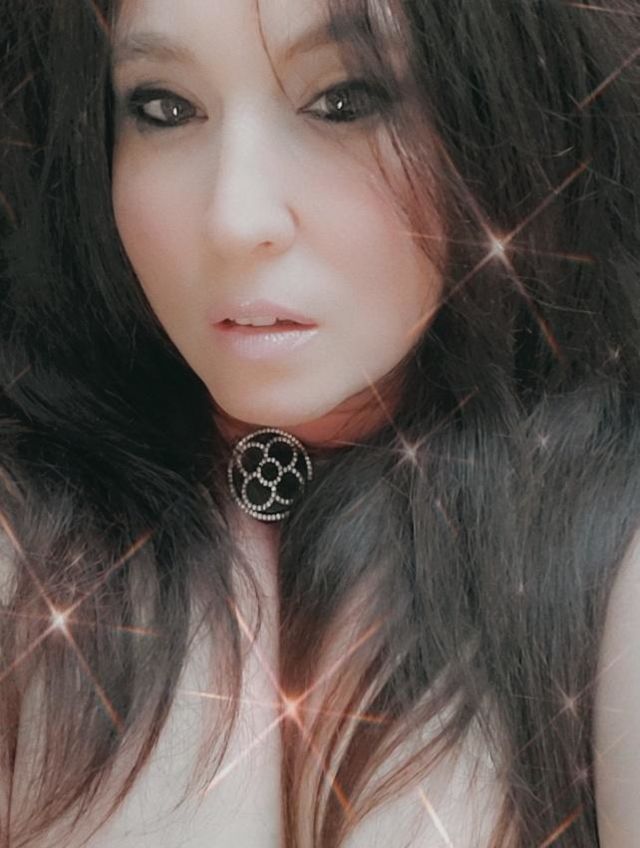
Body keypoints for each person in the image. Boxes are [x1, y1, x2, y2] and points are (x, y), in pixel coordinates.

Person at [1, 0, 639, 845]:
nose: (236, 220)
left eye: (344, 102)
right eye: (164, 107)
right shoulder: (33, 531)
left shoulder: (605, 550)